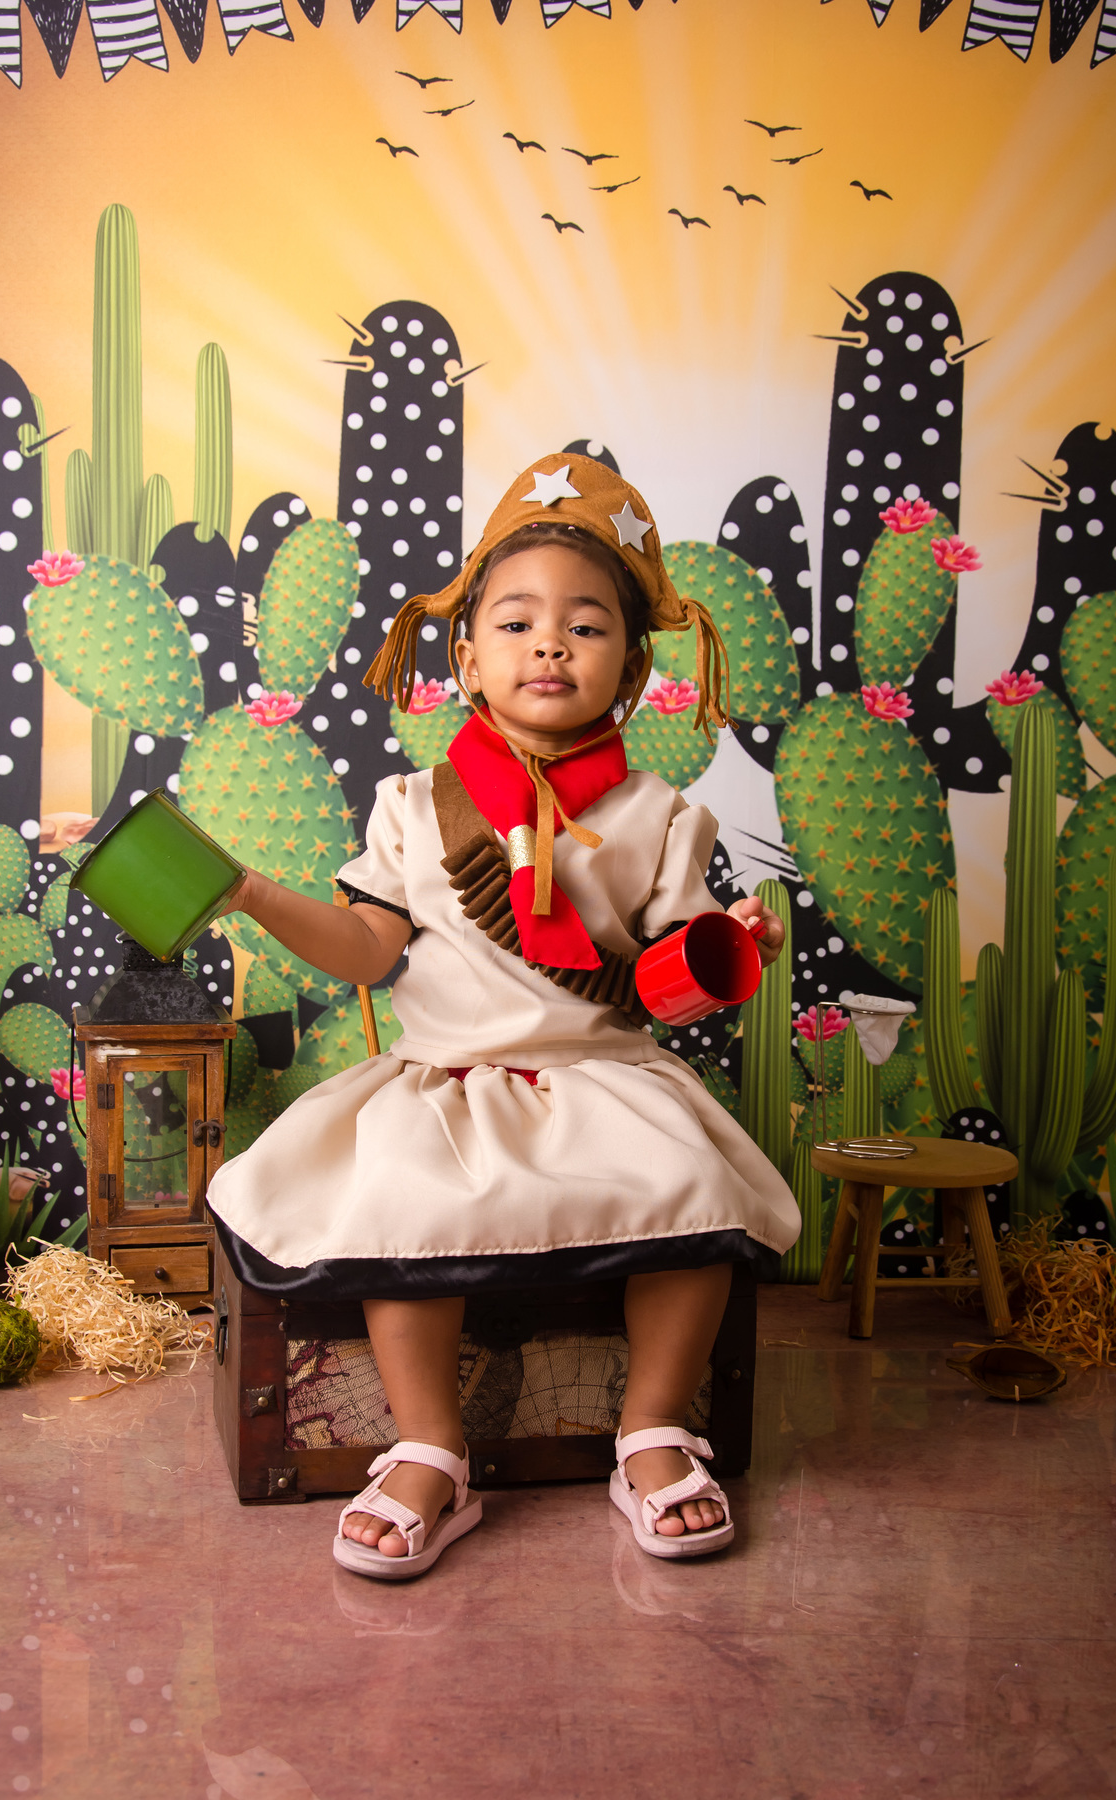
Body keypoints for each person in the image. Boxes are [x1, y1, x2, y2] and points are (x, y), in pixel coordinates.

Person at [208, 453, 801, 1580]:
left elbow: (660, 986)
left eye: (586, 626)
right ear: (468, 658)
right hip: (450, 1081)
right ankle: (431, 1450)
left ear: (630, 666)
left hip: (607, 1079)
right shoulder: (410, 807)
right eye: (518, 622)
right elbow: (368, 949)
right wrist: (254, 893)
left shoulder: (660, 815)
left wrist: (732, 948)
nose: (550, 645)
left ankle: (652, 1431)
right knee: (400, 1199)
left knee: (697, 1189)